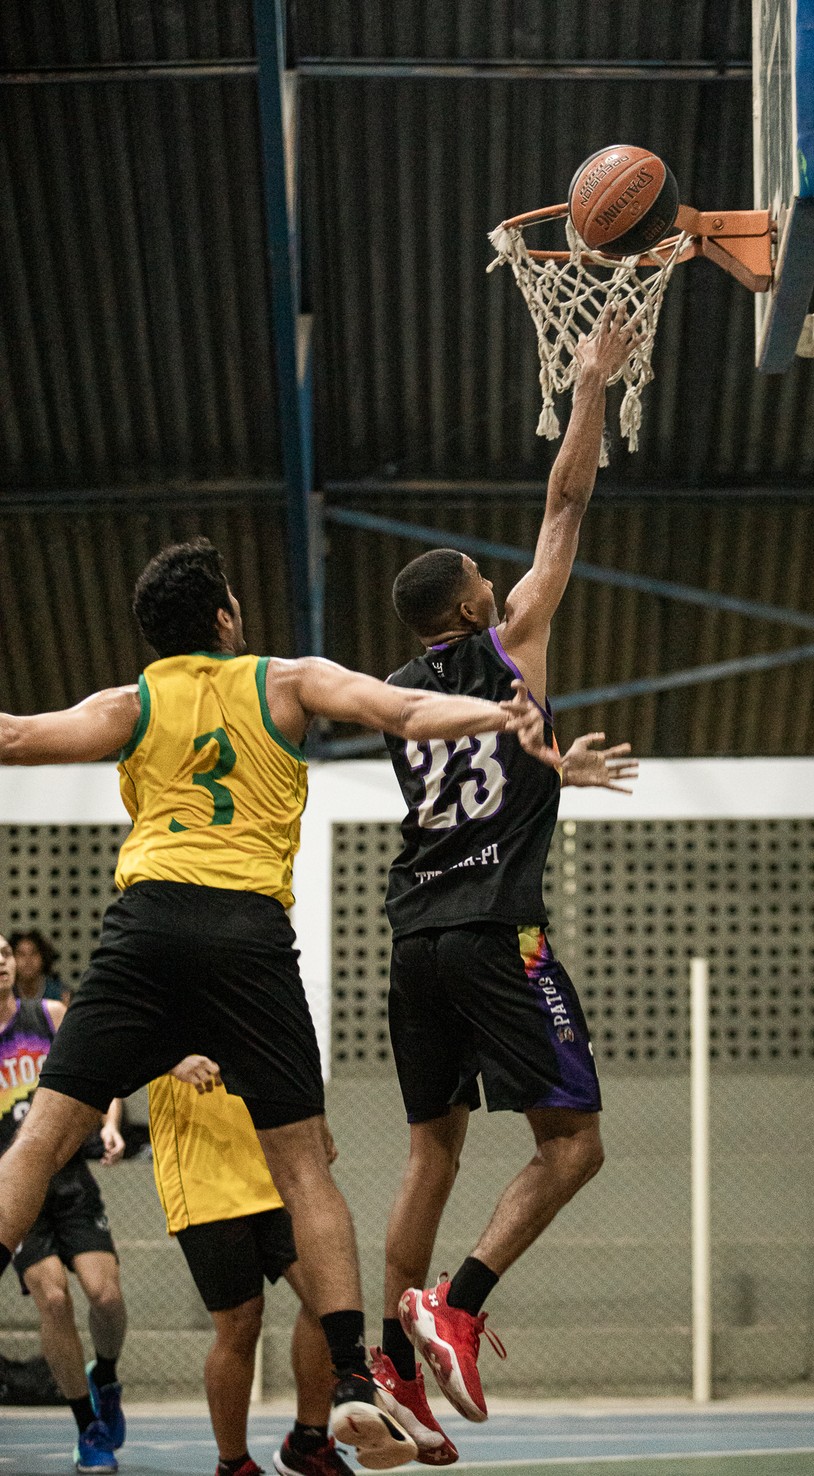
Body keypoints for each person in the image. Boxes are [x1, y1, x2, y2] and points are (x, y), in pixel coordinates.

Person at [0, 537, 557, 1471]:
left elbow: (13, 736)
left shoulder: (132, 703)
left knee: (43, 1136)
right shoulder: (287, 681)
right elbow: (407, 708)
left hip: (145, 925)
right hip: (248, 936)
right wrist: (501, 714)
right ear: (224, 615)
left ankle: (328, 1398)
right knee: (305, 1168)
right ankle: (347, 1380)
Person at [372, 305, 640, 1448]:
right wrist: (590, 385)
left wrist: (549, 770)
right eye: (488, 578)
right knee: (572, 1145)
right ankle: (458, 1309)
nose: (502, 579)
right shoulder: (514, 635)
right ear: (475, 609)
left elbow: (490, 769)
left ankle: (390, 1361)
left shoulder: (400, 699)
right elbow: (565, 504)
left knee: (433, 1149)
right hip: (494, 934)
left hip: (413, 939)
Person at [148, 1052, 353, 1476]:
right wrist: (166, 1059)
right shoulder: (161, 984)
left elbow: (287, 1041)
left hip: (273, 1152)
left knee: (327, 1302)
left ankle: (308, 1444)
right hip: (201, 1162)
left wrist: (315, 1112)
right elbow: (111, 1033)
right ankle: (234, 1464)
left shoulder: (264, 984)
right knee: (240, 1323)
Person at [0, 931, 128, 1474]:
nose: (0, 964)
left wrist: (111, 1124)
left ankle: (108, 1375)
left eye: (3, 954)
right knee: (53, 1300)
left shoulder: (49, 1014)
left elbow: (102, 1066)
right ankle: (87, 1427)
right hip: (13, 1190)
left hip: (70, 1177)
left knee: (105, 1295)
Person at [10, 930, 71, 1005]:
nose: (28, 960)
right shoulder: (5, 992)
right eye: (21, 954)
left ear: (43, 957)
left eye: (34, 953)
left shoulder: (59, 992)